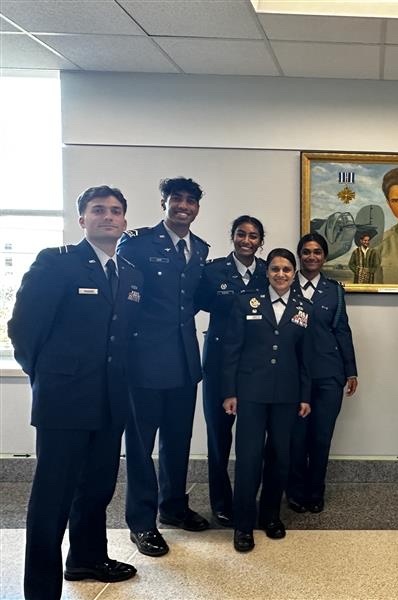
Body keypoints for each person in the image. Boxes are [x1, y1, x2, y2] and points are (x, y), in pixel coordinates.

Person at [8, 186, 142, 599]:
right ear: (82, 219)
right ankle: (41, 589)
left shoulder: (130, 274)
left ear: (124, 221)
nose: (108, 216)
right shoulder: (57, 263)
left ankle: (86, 558)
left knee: (98, 489)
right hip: (64, 403)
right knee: (53, 499)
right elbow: (24, 330)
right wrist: (47, 378)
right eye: (98, 210)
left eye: (116, 211)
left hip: (110, 401)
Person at [117, 177, 210, 557]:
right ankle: (141, 523)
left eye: (190, 201)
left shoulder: (201, 248)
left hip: (185, 361)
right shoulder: (138, 243)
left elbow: (194, 299)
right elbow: (123, 297)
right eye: (176, 199)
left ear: (197, 207)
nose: (183, 206)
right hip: (144, 360)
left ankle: (172, 506)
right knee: (141, 446)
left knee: (178, 440)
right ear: (164, 202)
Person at [221, 248, 312, 552]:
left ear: (294, 273)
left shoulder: (303, 308)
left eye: (287, 269)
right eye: (275, 269)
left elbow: (305, 359)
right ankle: (243, 525)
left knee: (279, 457)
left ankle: (270, 516)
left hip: (286, 396)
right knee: (248, 459)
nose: (281, 275)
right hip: (251, 393)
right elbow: (231, 349)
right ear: (267, 272)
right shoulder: (247, 301)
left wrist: (305, 396)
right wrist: (229, 392)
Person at [195, 215, 268, 527]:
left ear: (260, 241)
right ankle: (221, 503)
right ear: (233, 236)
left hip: (255, 365)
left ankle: (249, 498)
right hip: (219, 363)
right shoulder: (212, 272)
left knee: (253, 438)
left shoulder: (269, 272)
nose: (246, 241)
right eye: (241, 234)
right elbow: (192, 306)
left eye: (253, 236)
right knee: (219, 436)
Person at [287, 233, 358, 513]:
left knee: (320, 437)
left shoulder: (334, 290)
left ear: (324, 257)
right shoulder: (285, 285)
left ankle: (315, 492)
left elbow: (342, 330)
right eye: (306, 252)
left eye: (317, 252)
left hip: (329, 373)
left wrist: (351, 370)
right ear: (299, 256)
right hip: (292, 375)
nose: (311, 257)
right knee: (295, 437)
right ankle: (293, 491)